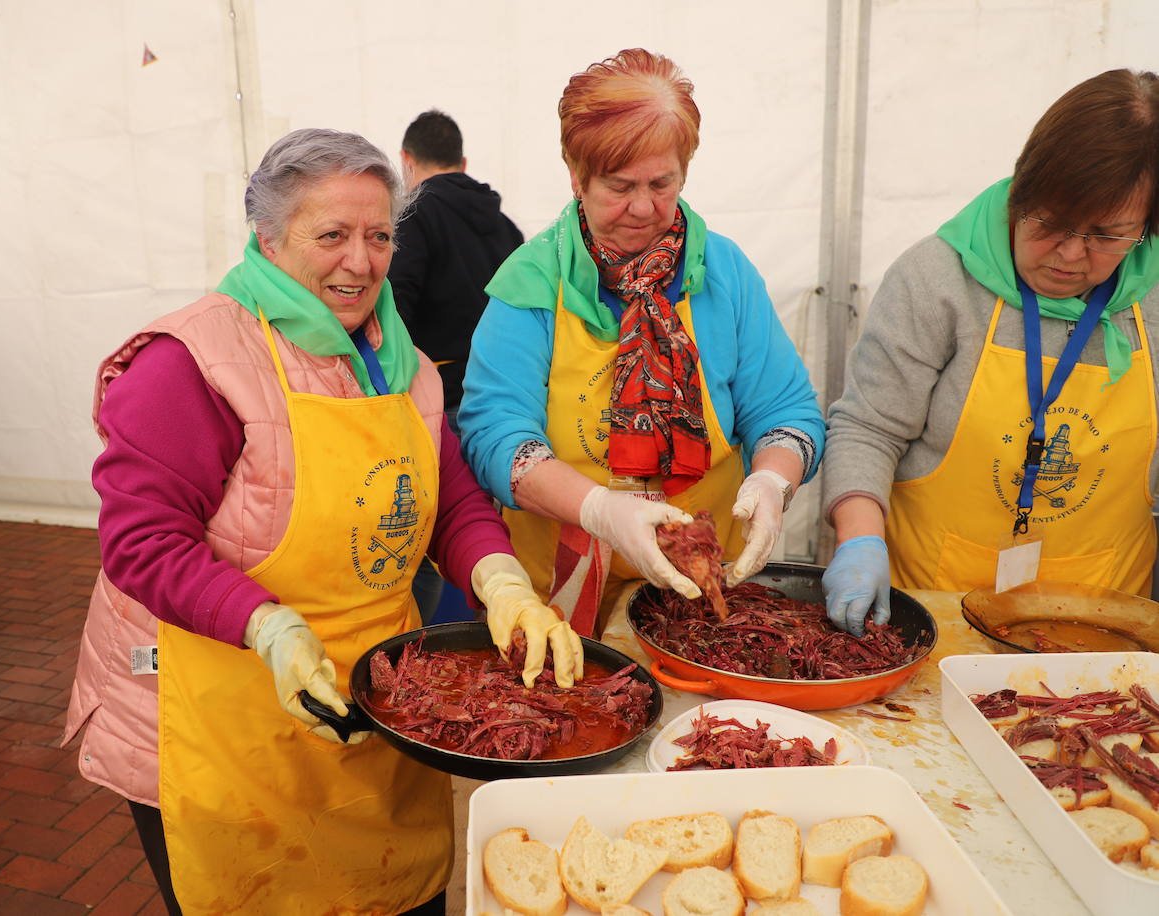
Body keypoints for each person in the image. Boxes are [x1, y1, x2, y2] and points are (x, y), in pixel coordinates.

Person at [62, 129, 583, 916]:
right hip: (222, 715)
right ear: (268, 238)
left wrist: (499, 578)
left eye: (379, 236)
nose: (362, 261)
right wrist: (268, 627)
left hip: (369, 701)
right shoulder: (190, 361)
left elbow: (450, 499)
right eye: (331, 235)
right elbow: (142, 545)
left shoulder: (396, 353)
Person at [459, 49, 824, 637]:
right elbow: (494, 434)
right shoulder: (530, 283)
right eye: (619, 186)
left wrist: (773, 480)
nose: (644, 208)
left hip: (705, 588)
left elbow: (785, 410)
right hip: (560, 593)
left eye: (663, 183)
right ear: (576, 176)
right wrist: (599, 509)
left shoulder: (725, 274)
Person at [822, 69, 1159, 635]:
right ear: (1019, 191)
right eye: (1049, 222)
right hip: (929, 611)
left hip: (1100, 626)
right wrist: (858, 541)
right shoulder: (937, 279)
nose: (1071, 254)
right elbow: (869, 428)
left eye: (1107, 235)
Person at [390, 109, 524, 622]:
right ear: (463, 162)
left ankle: (416, 658)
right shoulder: (506, 228)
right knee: (487, 540)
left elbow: (392, 309)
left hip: (437, 411)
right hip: (505, 418)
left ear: (406, 160)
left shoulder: (414, 216)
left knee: (417, 545)